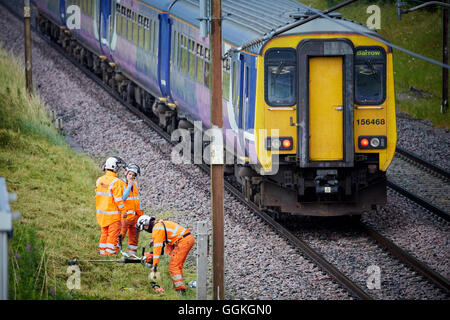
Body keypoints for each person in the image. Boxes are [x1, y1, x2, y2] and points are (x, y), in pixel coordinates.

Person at [136, 215, 195, 294]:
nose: (145, 230)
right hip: (186, 239)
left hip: (183, 242)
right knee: (177, 264)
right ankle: (178, 285)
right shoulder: (158, 225)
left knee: (173, 266)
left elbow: (157, 250)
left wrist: (154, 265)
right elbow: (164, 233)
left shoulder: (157, 230)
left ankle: (180, 290)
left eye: (144, 228)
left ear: (146, 224)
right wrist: (154, 240)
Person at [95, 156, 127, 256]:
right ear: (114, 167)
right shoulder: (116, 182)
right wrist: (124, 211)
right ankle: (109, 254)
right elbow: (118, 200)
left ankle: (102, 252)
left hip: (101, 214)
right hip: (113, 216)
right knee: (112, 235)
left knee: (104, 233)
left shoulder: (99, 180)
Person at [119, 163, 143, 256]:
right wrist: (129, 185)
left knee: (134, 237)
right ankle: (115, 252)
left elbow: (138, 200)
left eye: (133, 175)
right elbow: (123, 198)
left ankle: (132, 255)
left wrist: (140, 215)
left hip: (135, 216)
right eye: (130, 174)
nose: (131, 177)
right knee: (121, 234)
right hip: (125, 216)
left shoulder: (135, 184)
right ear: (126, 173)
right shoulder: (120, 183)